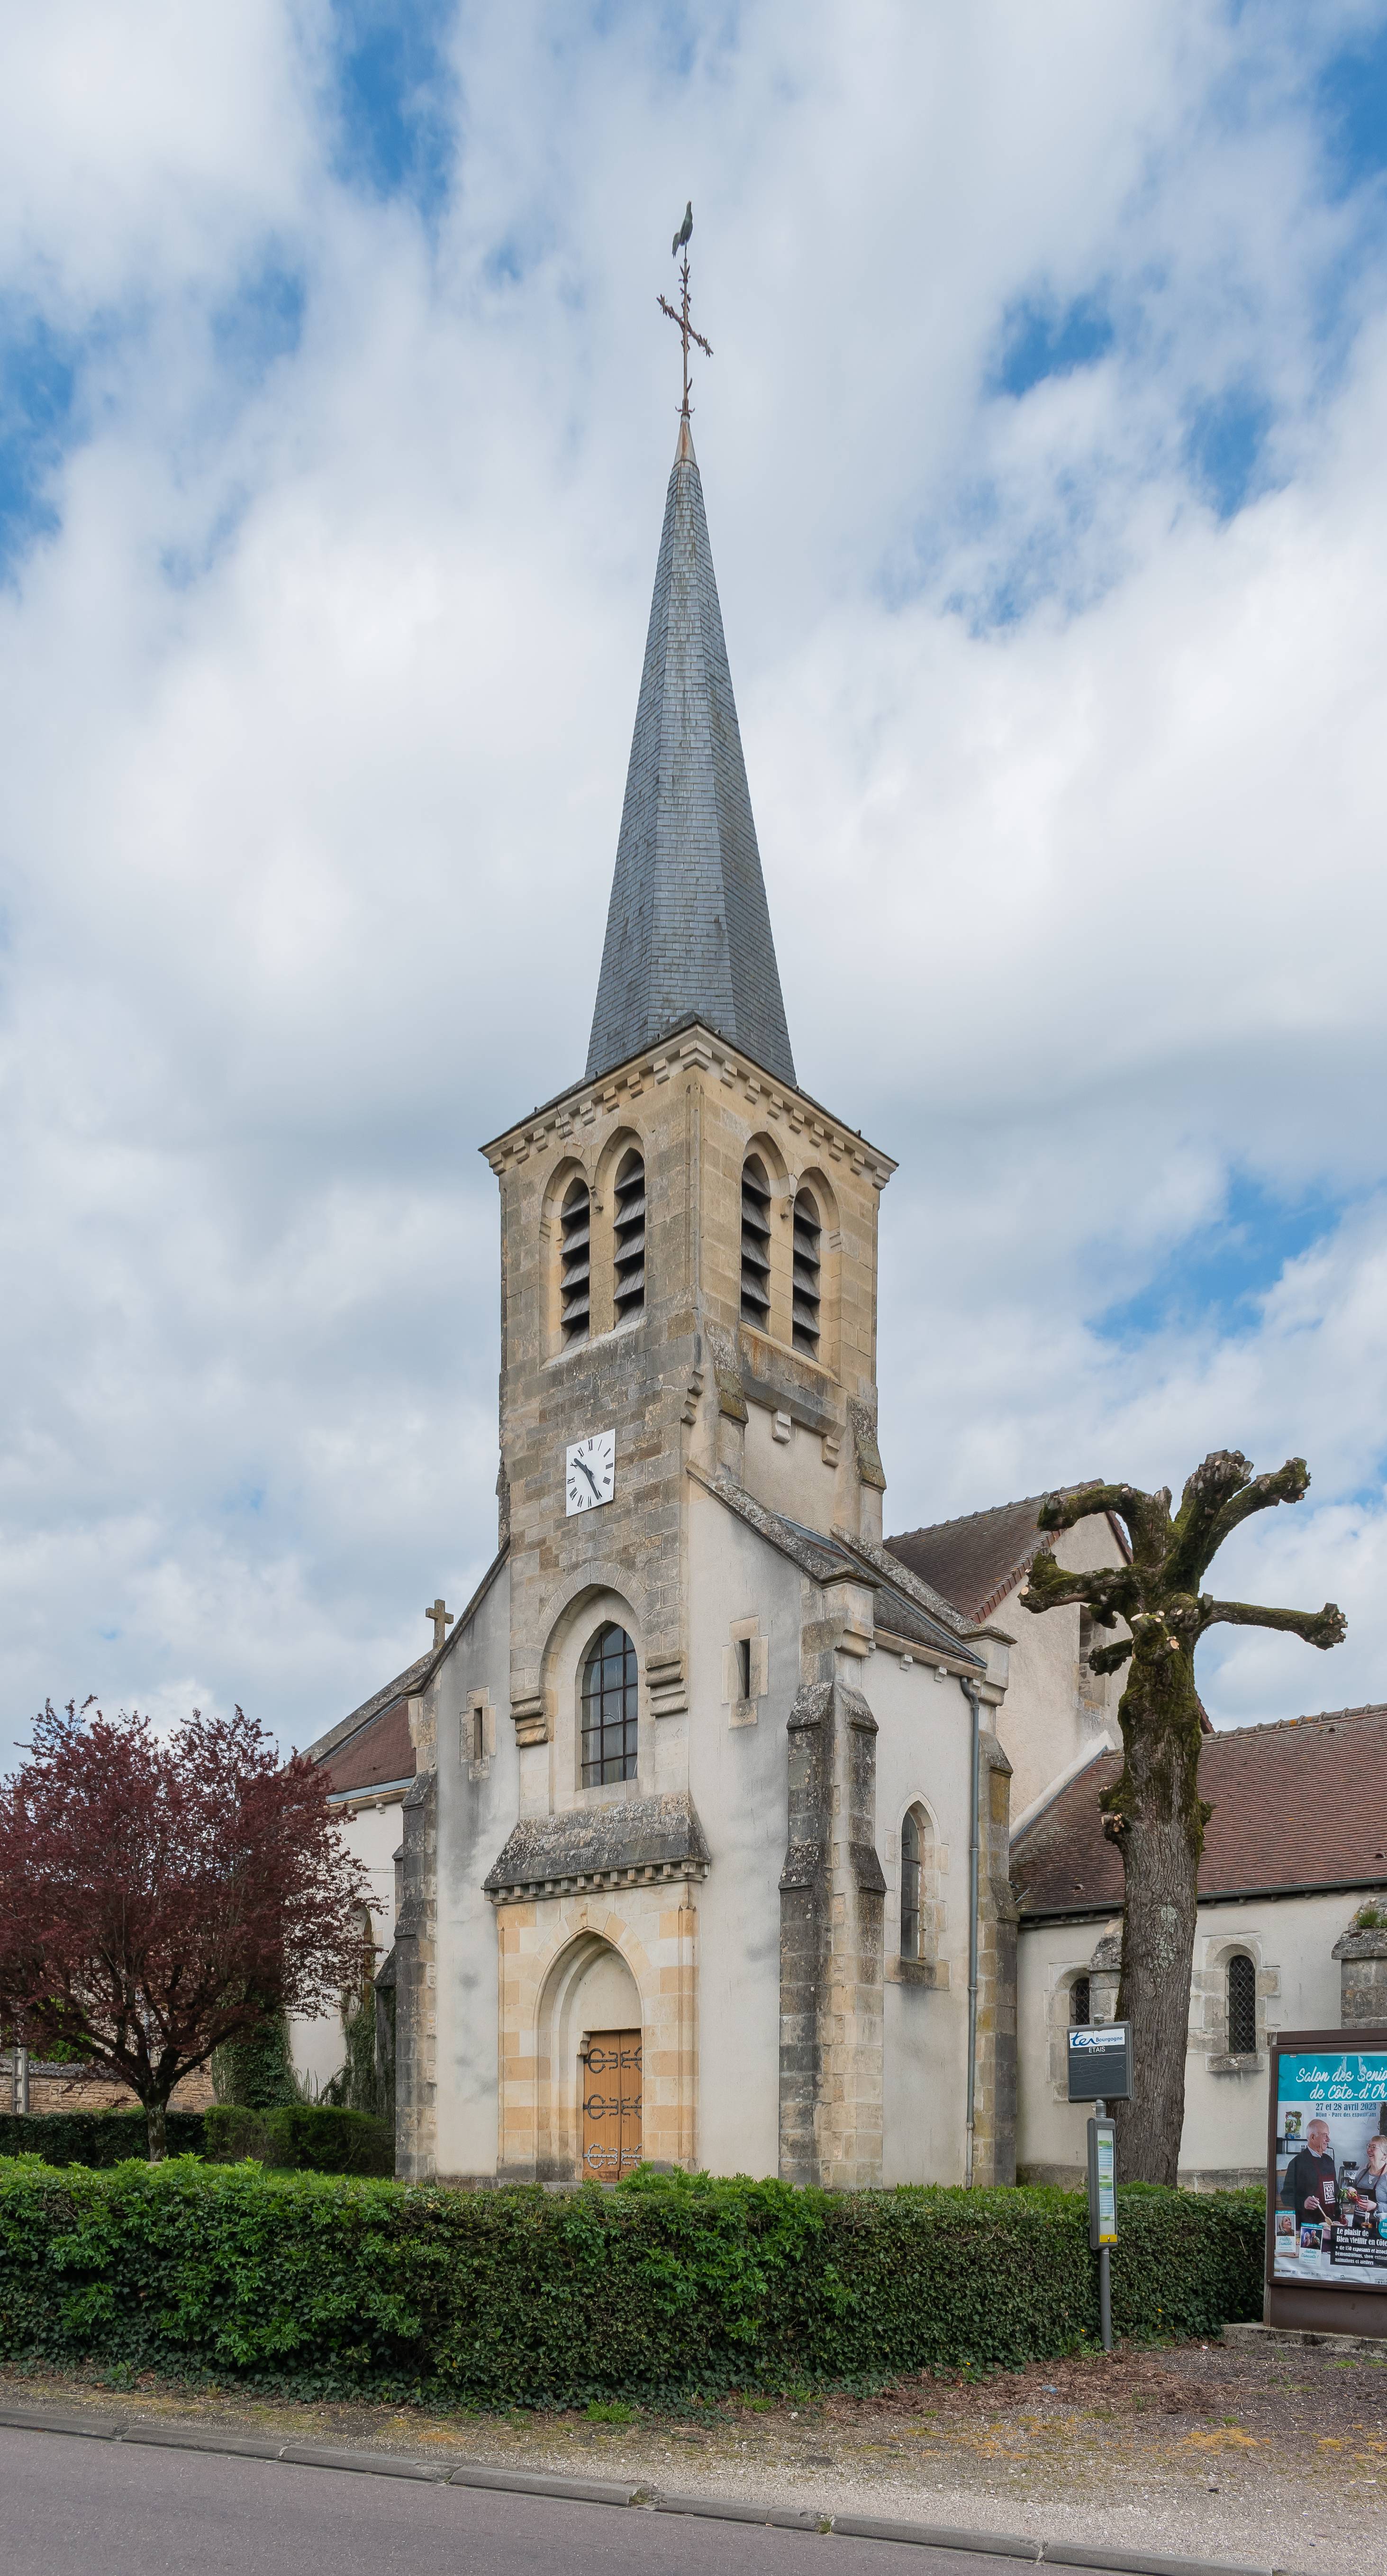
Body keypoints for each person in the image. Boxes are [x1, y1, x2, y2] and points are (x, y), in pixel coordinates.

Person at [1281, 2116, 1339, 2228]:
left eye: (1328, 2135)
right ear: (1313, 2137)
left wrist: (1339, 2214)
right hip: (1309, 2224)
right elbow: (1286, 2196)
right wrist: (1303, 2202)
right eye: (1325, 2136)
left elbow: (1334, 2191)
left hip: (1331, 2222)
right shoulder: (1297, 2163)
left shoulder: (1329, 2160)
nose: (1328, 2140)